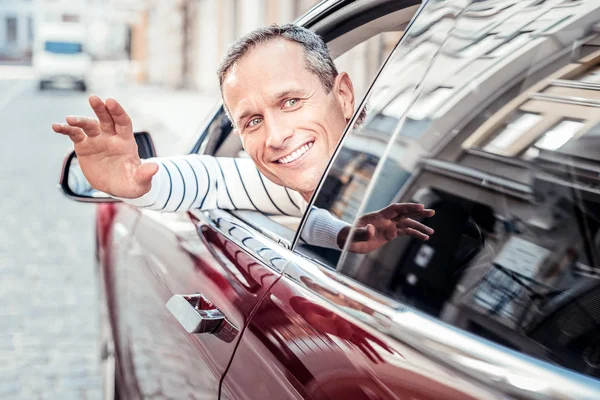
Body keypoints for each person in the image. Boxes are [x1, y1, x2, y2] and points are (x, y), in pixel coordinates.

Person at [52, 24, 434, 253]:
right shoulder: (291, 185)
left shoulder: (419, 185)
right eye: (252, 121)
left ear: (345, 96)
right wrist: (135, 180)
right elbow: (211, 179)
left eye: (290, 101)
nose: (276, 137)